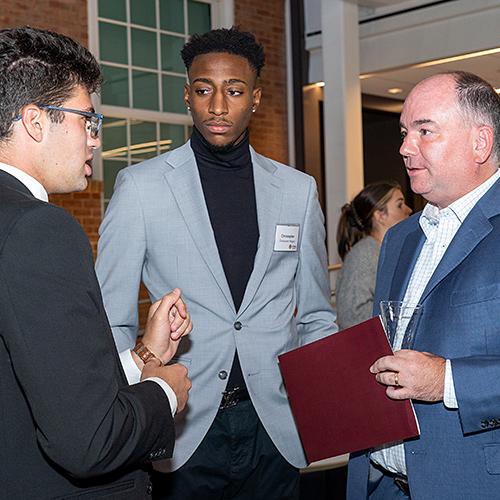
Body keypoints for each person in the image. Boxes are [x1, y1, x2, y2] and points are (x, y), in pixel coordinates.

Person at [96, 27, 336, 500]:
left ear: (256, 98)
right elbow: (111, 316)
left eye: (234, 91)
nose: (219, 106)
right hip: (181, 425)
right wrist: (133, 407)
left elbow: (315, 314)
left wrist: (324, 406)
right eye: (204, 90)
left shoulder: (297, 191)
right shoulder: (140, 187)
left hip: (277, 426)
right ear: (188, 96)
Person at [0, 26, 192, 499]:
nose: (94, 140)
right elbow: (86, 440)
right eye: (86, 120)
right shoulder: (39, 230)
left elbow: (36, 382)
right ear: (35, 122)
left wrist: (143, 354)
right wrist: (164, 392)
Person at [347, 71, 500, 499]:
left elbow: (438, 375)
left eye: (424, 131)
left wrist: (447, 381)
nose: (404, 147)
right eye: (403, 132)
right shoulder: (400, 238)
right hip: (380, 484)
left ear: (480, 143)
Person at [335, 182, 411, 330]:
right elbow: (351, 318)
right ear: (380, 215)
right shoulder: (362, 255)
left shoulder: (391, 251)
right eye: (399, 205)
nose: (408, 210)